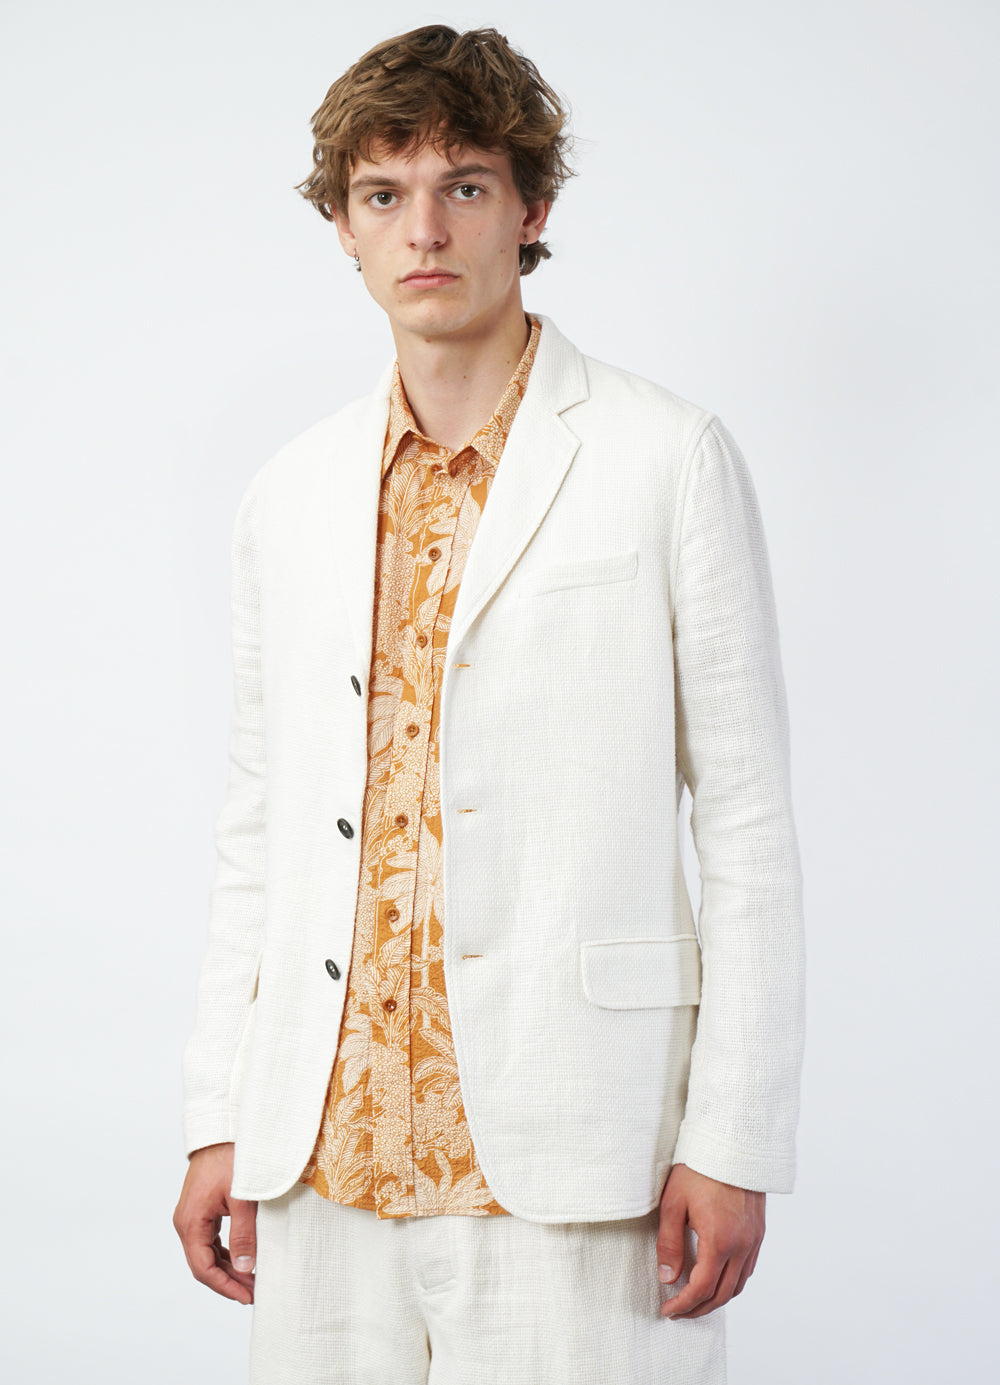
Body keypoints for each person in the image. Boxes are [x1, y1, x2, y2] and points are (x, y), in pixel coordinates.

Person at [173, 23, 806, 1385]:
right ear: (342, 226)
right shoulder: (289, 494)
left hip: (579, 1153)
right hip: (322, 1155)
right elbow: (258, 827)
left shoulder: (666, 457)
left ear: (533, 208)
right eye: (383, 192)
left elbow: (748, 824)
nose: (425, 229)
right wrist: (220, 1110)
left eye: (465, 185)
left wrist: (733, 1137)